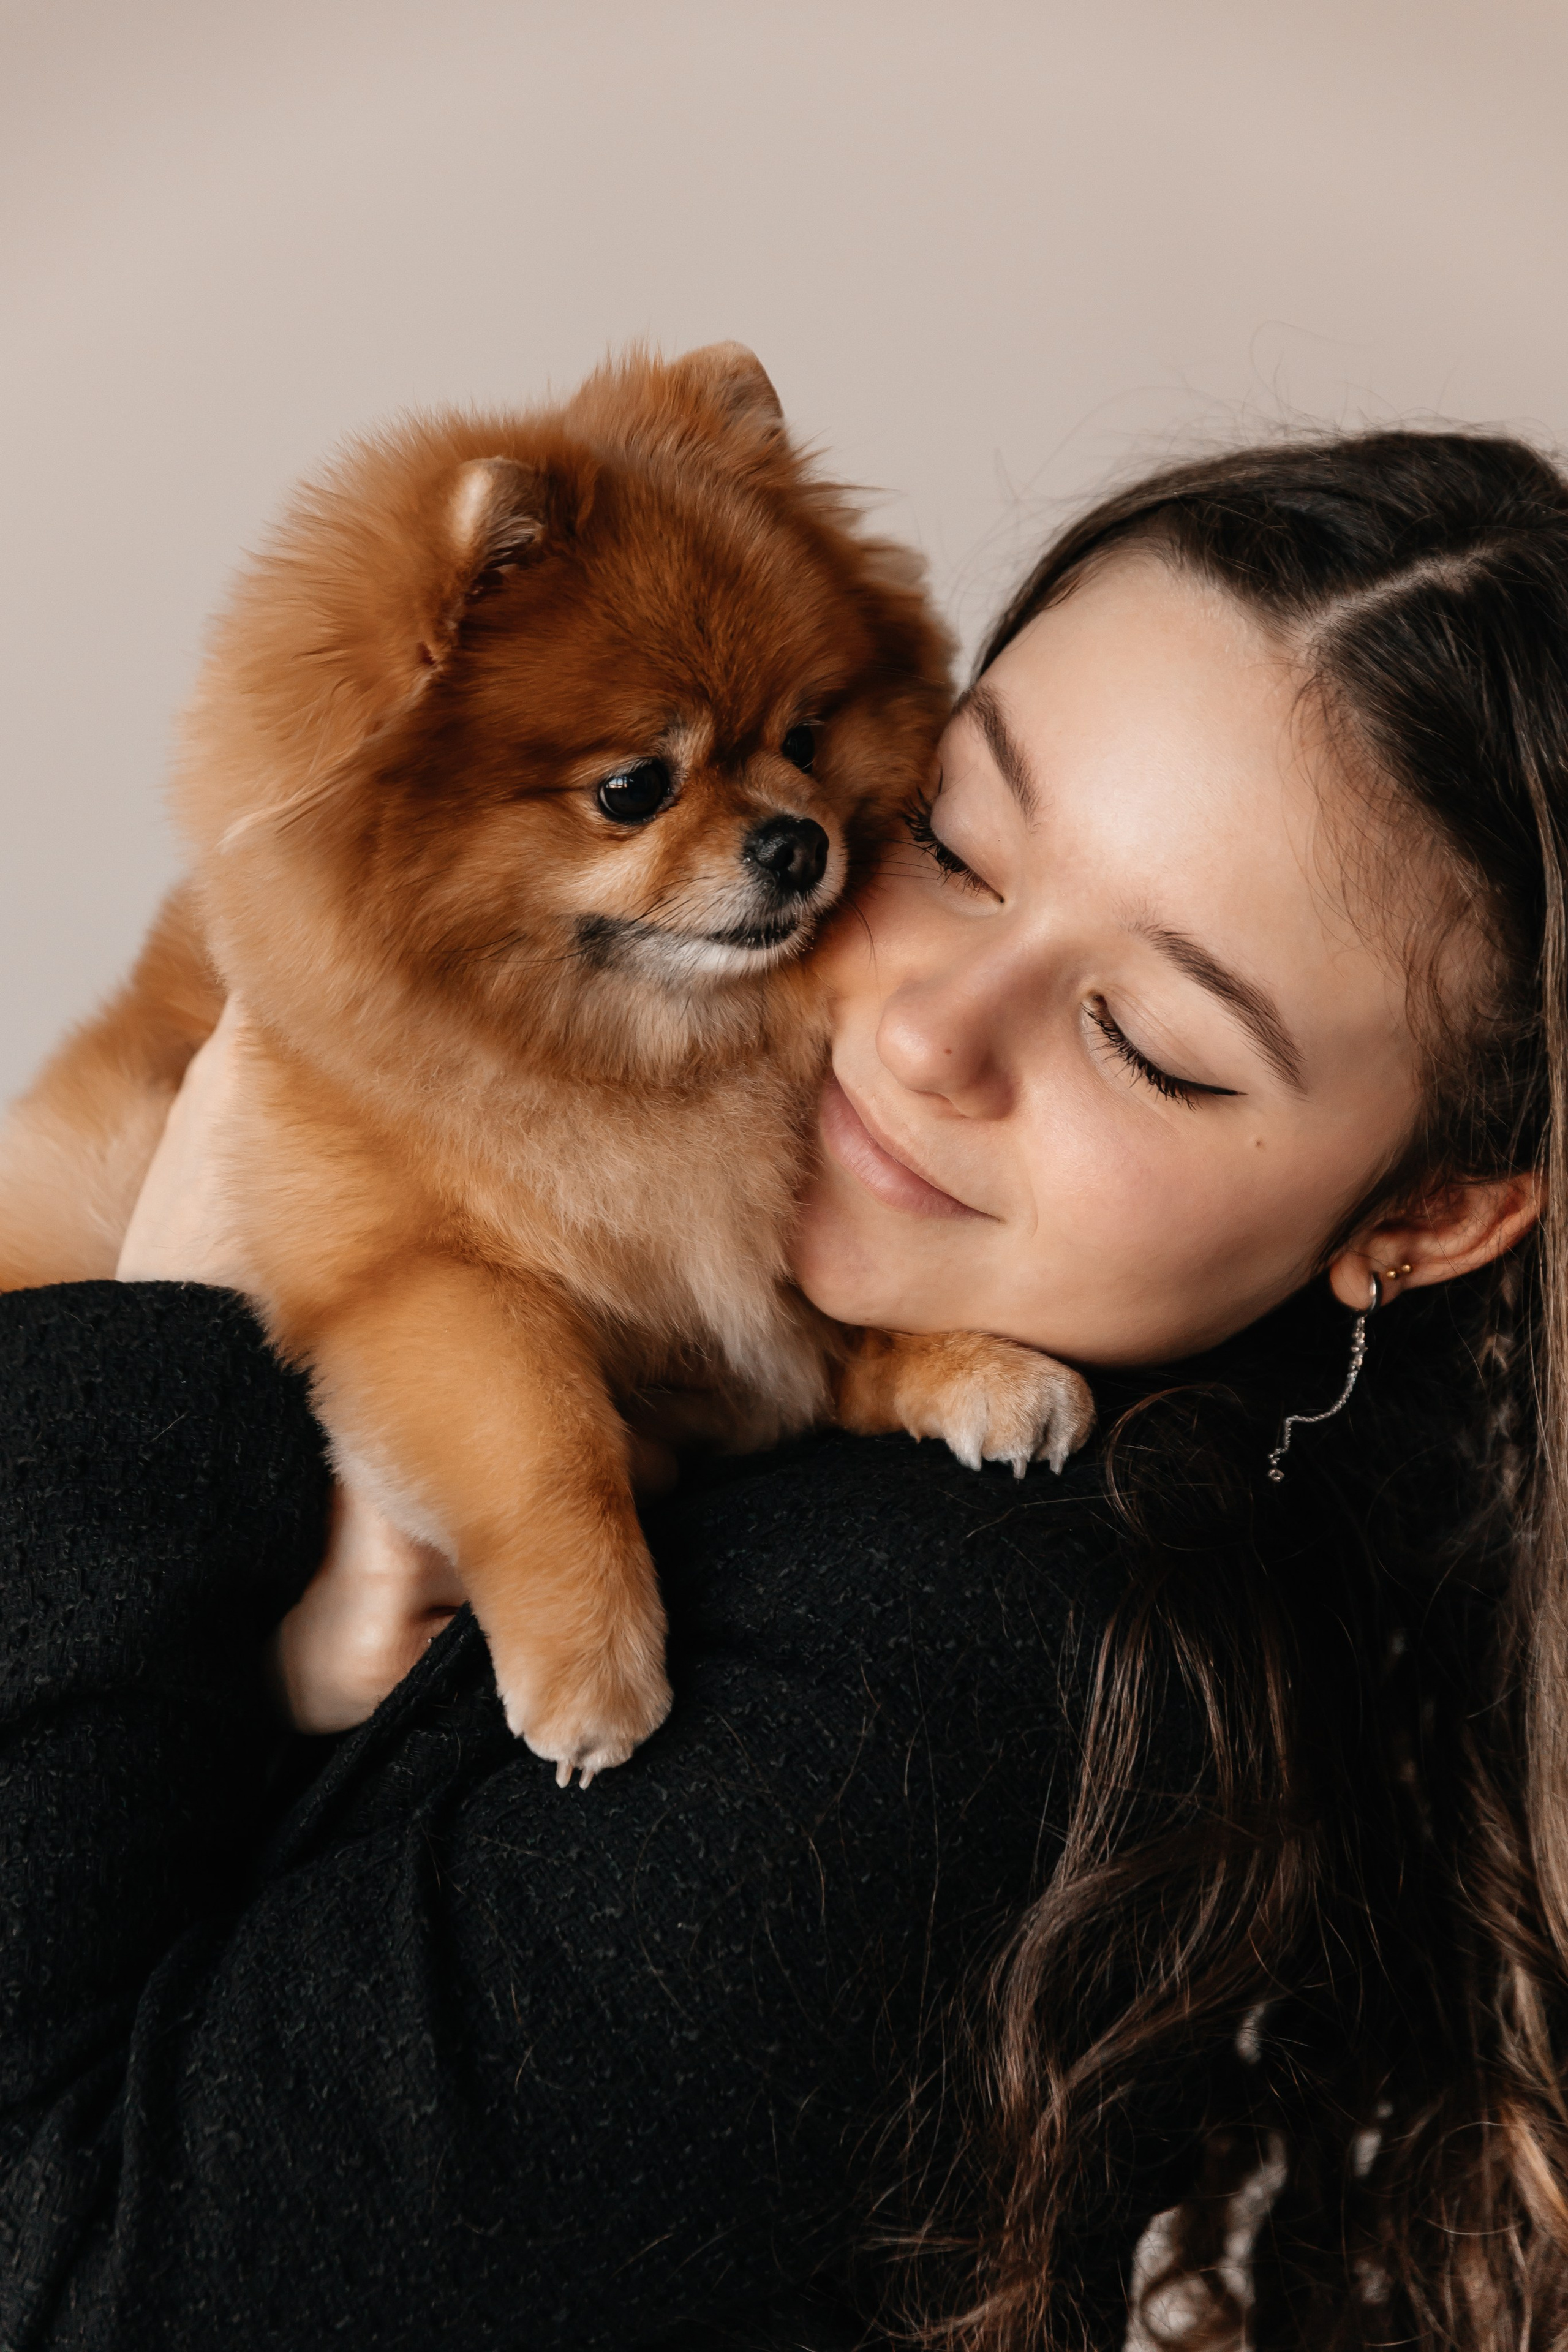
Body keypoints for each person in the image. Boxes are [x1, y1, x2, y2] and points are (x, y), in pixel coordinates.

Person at [1, 424, 1561, 2351]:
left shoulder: (943, 1673)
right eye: (953, 846)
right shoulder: (751, 1322)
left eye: (1150, 1043)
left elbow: (62, 2282)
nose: (925, 1030)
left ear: (1426, 1214)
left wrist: (172, 1350)